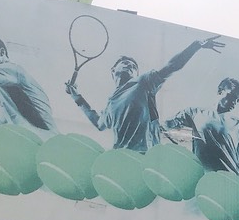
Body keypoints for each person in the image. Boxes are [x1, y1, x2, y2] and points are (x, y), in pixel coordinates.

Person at [67, 36, 224, 151]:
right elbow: (99, 124)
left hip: (146, 156)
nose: (130, 66)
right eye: (125, 63)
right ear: (113, 70)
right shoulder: (111, 103)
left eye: (134, 66)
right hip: (120, 157)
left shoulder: (143, 82)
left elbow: (172, 66)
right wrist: (76, 97)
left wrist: (195, 45)